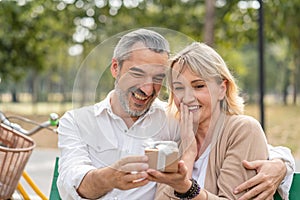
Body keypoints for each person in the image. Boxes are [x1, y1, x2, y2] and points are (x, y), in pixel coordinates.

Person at [57, 29, 294, 200]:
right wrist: (111, 177)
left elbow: (247, 141)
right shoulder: (77, 122)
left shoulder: (175, 122)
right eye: (137, 74)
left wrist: (281, 164)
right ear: (115, 68)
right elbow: (71, 182)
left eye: (158, 79)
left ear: (222, 87)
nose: (147, 89)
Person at [147, 42, 295, 200]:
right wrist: (188, 154)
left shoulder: (243, 130)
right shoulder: (176, 138)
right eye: (179, 88)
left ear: (221, 89)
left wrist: (186, 188)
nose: (187, 98)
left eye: (198, 86)